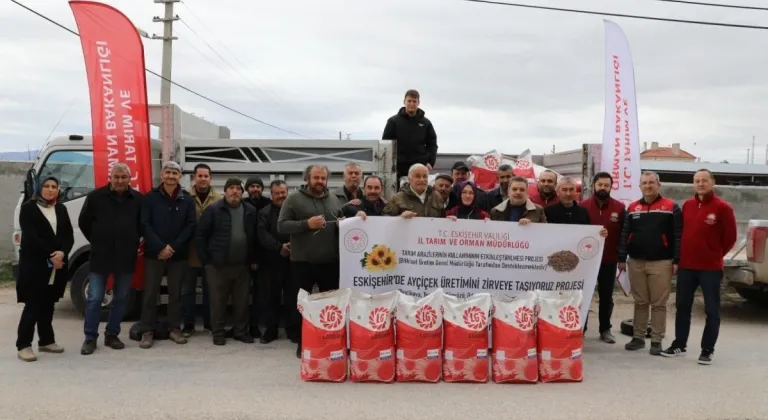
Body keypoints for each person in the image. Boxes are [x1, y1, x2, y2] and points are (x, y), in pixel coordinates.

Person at [662, 169, 737, 365]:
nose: (701, 184)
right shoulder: (688, 205)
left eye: (704, 180)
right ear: (693, 184)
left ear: (713, 182)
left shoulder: (723, 208)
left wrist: (714, 253)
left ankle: (707, 349)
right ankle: (679, 344)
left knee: (712, 310)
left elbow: (730, 238)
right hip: (687, 266)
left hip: (710, 268)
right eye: (697, 181)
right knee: (682, 307)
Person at [278, 164, 344, 358]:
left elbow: (339, 221)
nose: (320, 182)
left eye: (323, 178)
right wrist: (307, 224)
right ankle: (303, 342)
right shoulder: (293, 199)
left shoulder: (333, 199)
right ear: (307, 178)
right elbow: (281, 226)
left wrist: (343, 223)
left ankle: (329, 341)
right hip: (302, 263)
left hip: (329, 262)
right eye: (316, 178)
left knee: (330, 306)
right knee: (301, 306)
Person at [78, 163, 143, 355]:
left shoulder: (138, 200)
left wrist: (131, 241)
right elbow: (84, 222)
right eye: (117, 177)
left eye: (124, 177)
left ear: (129, 179)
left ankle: (112, 334)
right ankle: (90, 338)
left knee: (121, 298)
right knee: (95, 298)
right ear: (110, 177)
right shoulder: (95, 197)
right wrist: (97, 241)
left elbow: (142, 224)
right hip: (101, 256)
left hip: (125, 257)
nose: (120, 180)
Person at [618, 171, 682, 356]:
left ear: (658, 185)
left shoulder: (671, 207)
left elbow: (678, 236)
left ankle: (656, 340)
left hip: (662, 262)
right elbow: (625, 234)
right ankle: (638, 338)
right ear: (640, 186)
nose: (648, 186)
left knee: (659, 303)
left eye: (651, 182)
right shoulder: (633, 207)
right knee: (640, 302)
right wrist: (622, 258)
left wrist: (677, 260)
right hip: (636, 261)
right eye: (644, 183)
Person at [139, 161, 197, 349]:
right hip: (154, 254)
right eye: (168, 172)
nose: (171, 176)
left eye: (175, 173)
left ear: (180, 176)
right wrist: (160, 248)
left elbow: (190, 226)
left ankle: (174, 329)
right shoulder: (150, 198)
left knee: (176, 294)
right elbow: (145, 224)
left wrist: (172, 247)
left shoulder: (187, 199)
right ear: (162, 175)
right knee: (150, 293)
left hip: (178, 255)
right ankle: (147, 330)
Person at [16, 176, 74, 362]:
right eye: (46, 186)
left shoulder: (61, 208)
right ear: (39, 188)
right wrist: (52, 255)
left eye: (54, 186)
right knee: (33, 305)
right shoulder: (28, 209)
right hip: (35, 265)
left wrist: (62, 253)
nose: (50, 190)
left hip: (56, 265)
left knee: (48, 304)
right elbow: (32, 238)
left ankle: (46, 341)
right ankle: (23, 345)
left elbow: (68, 236)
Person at [196, 178, 259, 345]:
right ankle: (218, 333)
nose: (235, 191)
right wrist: (207, 261)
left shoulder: (250, 210)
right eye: (231, 188)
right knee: (218, 302)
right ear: (225, 191)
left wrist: (252, 259)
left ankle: (240, 331)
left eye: (238, 188)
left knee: (242, 302)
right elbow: (201, 235)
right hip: (218, 266)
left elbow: (253, 237)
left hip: (242, 266)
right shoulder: (213, 210)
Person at [580, 172, 627, 344]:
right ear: (594, 185)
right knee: (584, 295)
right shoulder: (583, 206)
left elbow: (624, 234)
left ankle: (605, 329)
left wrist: (622, 258)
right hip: (586, 261)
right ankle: (581, 328)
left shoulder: (620, 208)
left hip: (609, 259)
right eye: (600, 185)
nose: (603, 188)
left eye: (606, 185)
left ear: (611, 187)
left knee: (606, 296)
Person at [182, 163, 219, 337]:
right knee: (188, 290)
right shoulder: (184, 197)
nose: (203, 179)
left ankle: (209, 323)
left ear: (210, 178)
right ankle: (188, 324)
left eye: (206, 176)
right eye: (200, 175)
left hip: (210, 252)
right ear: (194, 177)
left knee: (209, 289)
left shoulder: (218, 199)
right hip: (189, 251)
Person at [256, 180, 295, 344]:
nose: (281, 196)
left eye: (283, 192)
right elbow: (262, 234)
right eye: (277, 193)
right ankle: (271, 330)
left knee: (292, 298)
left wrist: (292, 246)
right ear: (271, 195)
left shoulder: (295, 211)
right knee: (271, 297)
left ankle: (292, 330)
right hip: (272, 262)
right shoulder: (264, 212)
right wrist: (279, 247)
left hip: (294, 261)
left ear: (288, 193)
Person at [382, 89, 438, 184]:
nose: (411, 104)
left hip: (419, 166)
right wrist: (388, 164)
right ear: (404, 102)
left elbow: (432, 144)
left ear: (418, 103)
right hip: (398, 168)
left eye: (414, 101)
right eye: (409, 101)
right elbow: (386, 144)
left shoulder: (426, 123)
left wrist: (430, 162)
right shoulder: (393, 121)